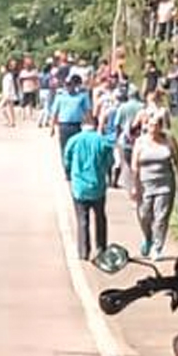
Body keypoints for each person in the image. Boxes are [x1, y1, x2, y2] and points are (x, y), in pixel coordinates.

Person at [130, 110, 178, 259]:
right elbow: (135, 165)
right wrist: (135, 186)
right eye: (150, 125)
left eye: (156, 125)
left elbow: (177, 161)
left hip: (165, 183)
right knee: (144, 215)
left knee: (161, 216)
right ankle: (148, 238)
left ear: (161, 126)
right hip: (145, 183)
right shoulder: (140, 142)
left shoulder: (169, 140)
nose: (153, 128)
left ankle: (157, 247)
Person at [64, 112, 114, 261]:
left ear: (82, 125)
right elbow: (110, 161)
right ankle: (101, 248)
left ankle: (83, 251)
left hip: (79, 186)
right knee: (100, 217)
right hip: (98, 185)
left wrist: (69, 173)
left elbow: (66, 159)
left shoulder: (73, 140)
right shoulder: (103, 141)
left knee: (82, 219)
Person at [51, 74, 92, 155]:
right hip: (64, 125)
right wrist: (52, 127)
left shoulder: (80, 96)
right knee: (64, 147)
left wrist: (90, 123)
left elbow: (87, 111)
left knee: (76, 147)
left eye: (70, 84)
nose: (68, 86)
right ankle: (66, 166)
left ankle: (74, 165)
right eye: (66, 84)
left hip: (76, 125)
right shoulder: (60, 96)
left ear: (74, 84)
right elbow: (55, 112)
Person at [0, 58, 18, 128]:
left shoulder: (8, 76)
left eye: (2, 69)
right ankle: (12, 122)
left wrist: (6, 95)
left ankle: (9, 120)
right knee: (10, 108)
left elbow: (9, 87)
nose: (1, 70)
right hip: (8, 94)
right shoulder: (6, 76)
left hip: (8, 95)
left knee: (0, 107)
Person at [18, 57, 40, 123]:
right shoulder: (22, 72)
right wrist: (20, 88)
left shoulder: (34, 71)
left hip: (32, 89)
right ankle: (23, 115)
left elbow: (36, 79)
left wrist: (37, 86)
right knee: (23, 103)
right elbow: (20, 80)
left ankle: (31, 115)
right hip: (25, 89)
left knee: (31, 103)